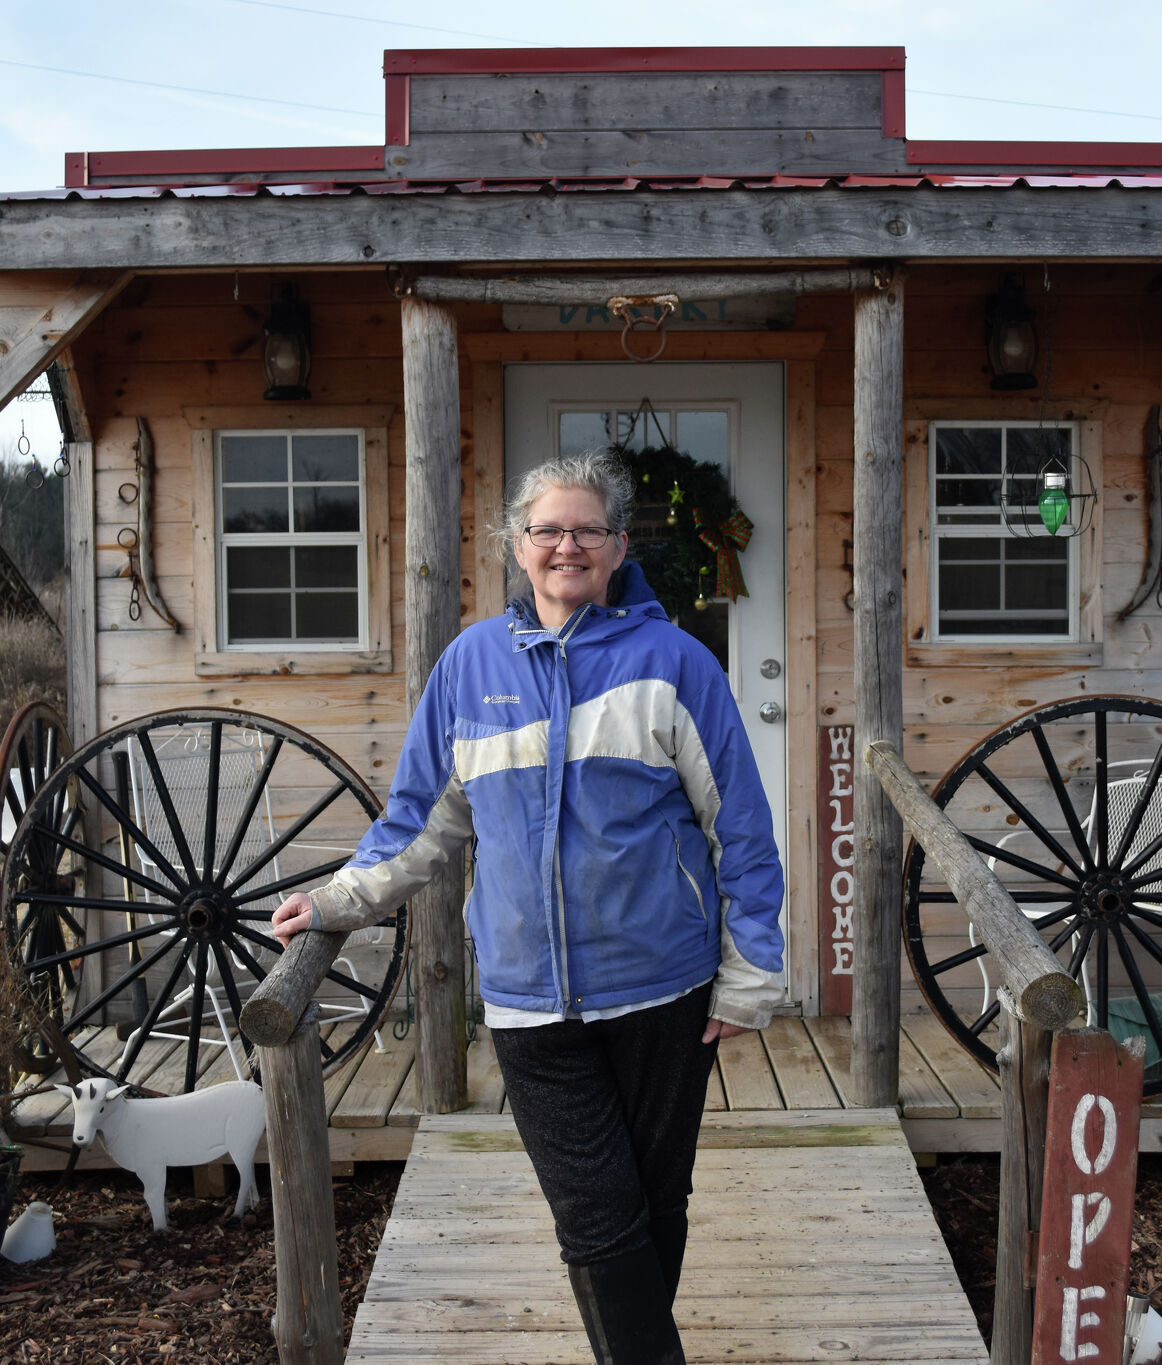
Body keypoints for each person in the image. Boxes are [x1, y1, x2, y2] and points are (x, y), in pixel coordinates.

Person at [272, 450, 785, 1364]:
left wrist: (748, 975)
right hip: (527, 1001)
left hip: (663, 989)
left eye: (587, 528)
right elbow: (419, 824)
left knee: (653, 1205)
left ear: (620, 544)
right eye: (547, 529)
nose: (566, 546)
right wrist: (336, 899)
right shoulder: (469, 668)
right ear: (517, 544)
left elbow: (738, 823)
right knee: (595, 1219)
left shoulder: (674, 662)